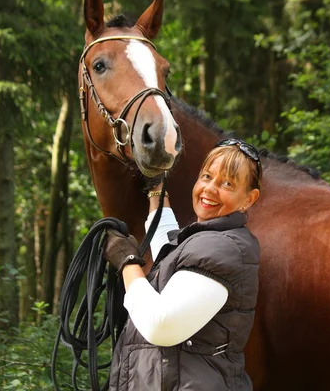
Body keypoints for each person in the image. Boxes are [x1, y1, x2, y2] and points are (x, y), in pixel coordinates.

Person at [103, 138, 263, 391]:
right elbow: (167, 247)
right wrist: (157, 190)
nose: (210, 189)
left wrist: (128, 262)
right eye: (207, 177)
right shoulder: (208, 239)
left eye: (227, 184)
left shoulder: (224, 248)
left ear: (248, 199)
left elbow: (161, 326)